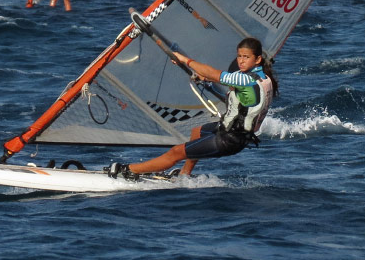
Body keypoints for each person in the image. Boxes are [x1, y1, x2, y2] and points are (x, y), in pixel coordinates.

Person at [108, 37, 278, 179]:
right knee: (197, 132)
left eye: (246, 57)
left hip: (230, 139)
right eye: (239, 56)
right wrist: (203, 77)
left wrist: (186, 61)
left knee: (176, 152)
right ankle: (184, 175)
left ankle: (128, 170)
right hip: (232, 131)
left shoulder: (246, 80)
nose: (241, 60)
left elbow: (216, 74)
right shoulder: (262, 78)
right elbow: (226, 81)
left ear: (257, 59)